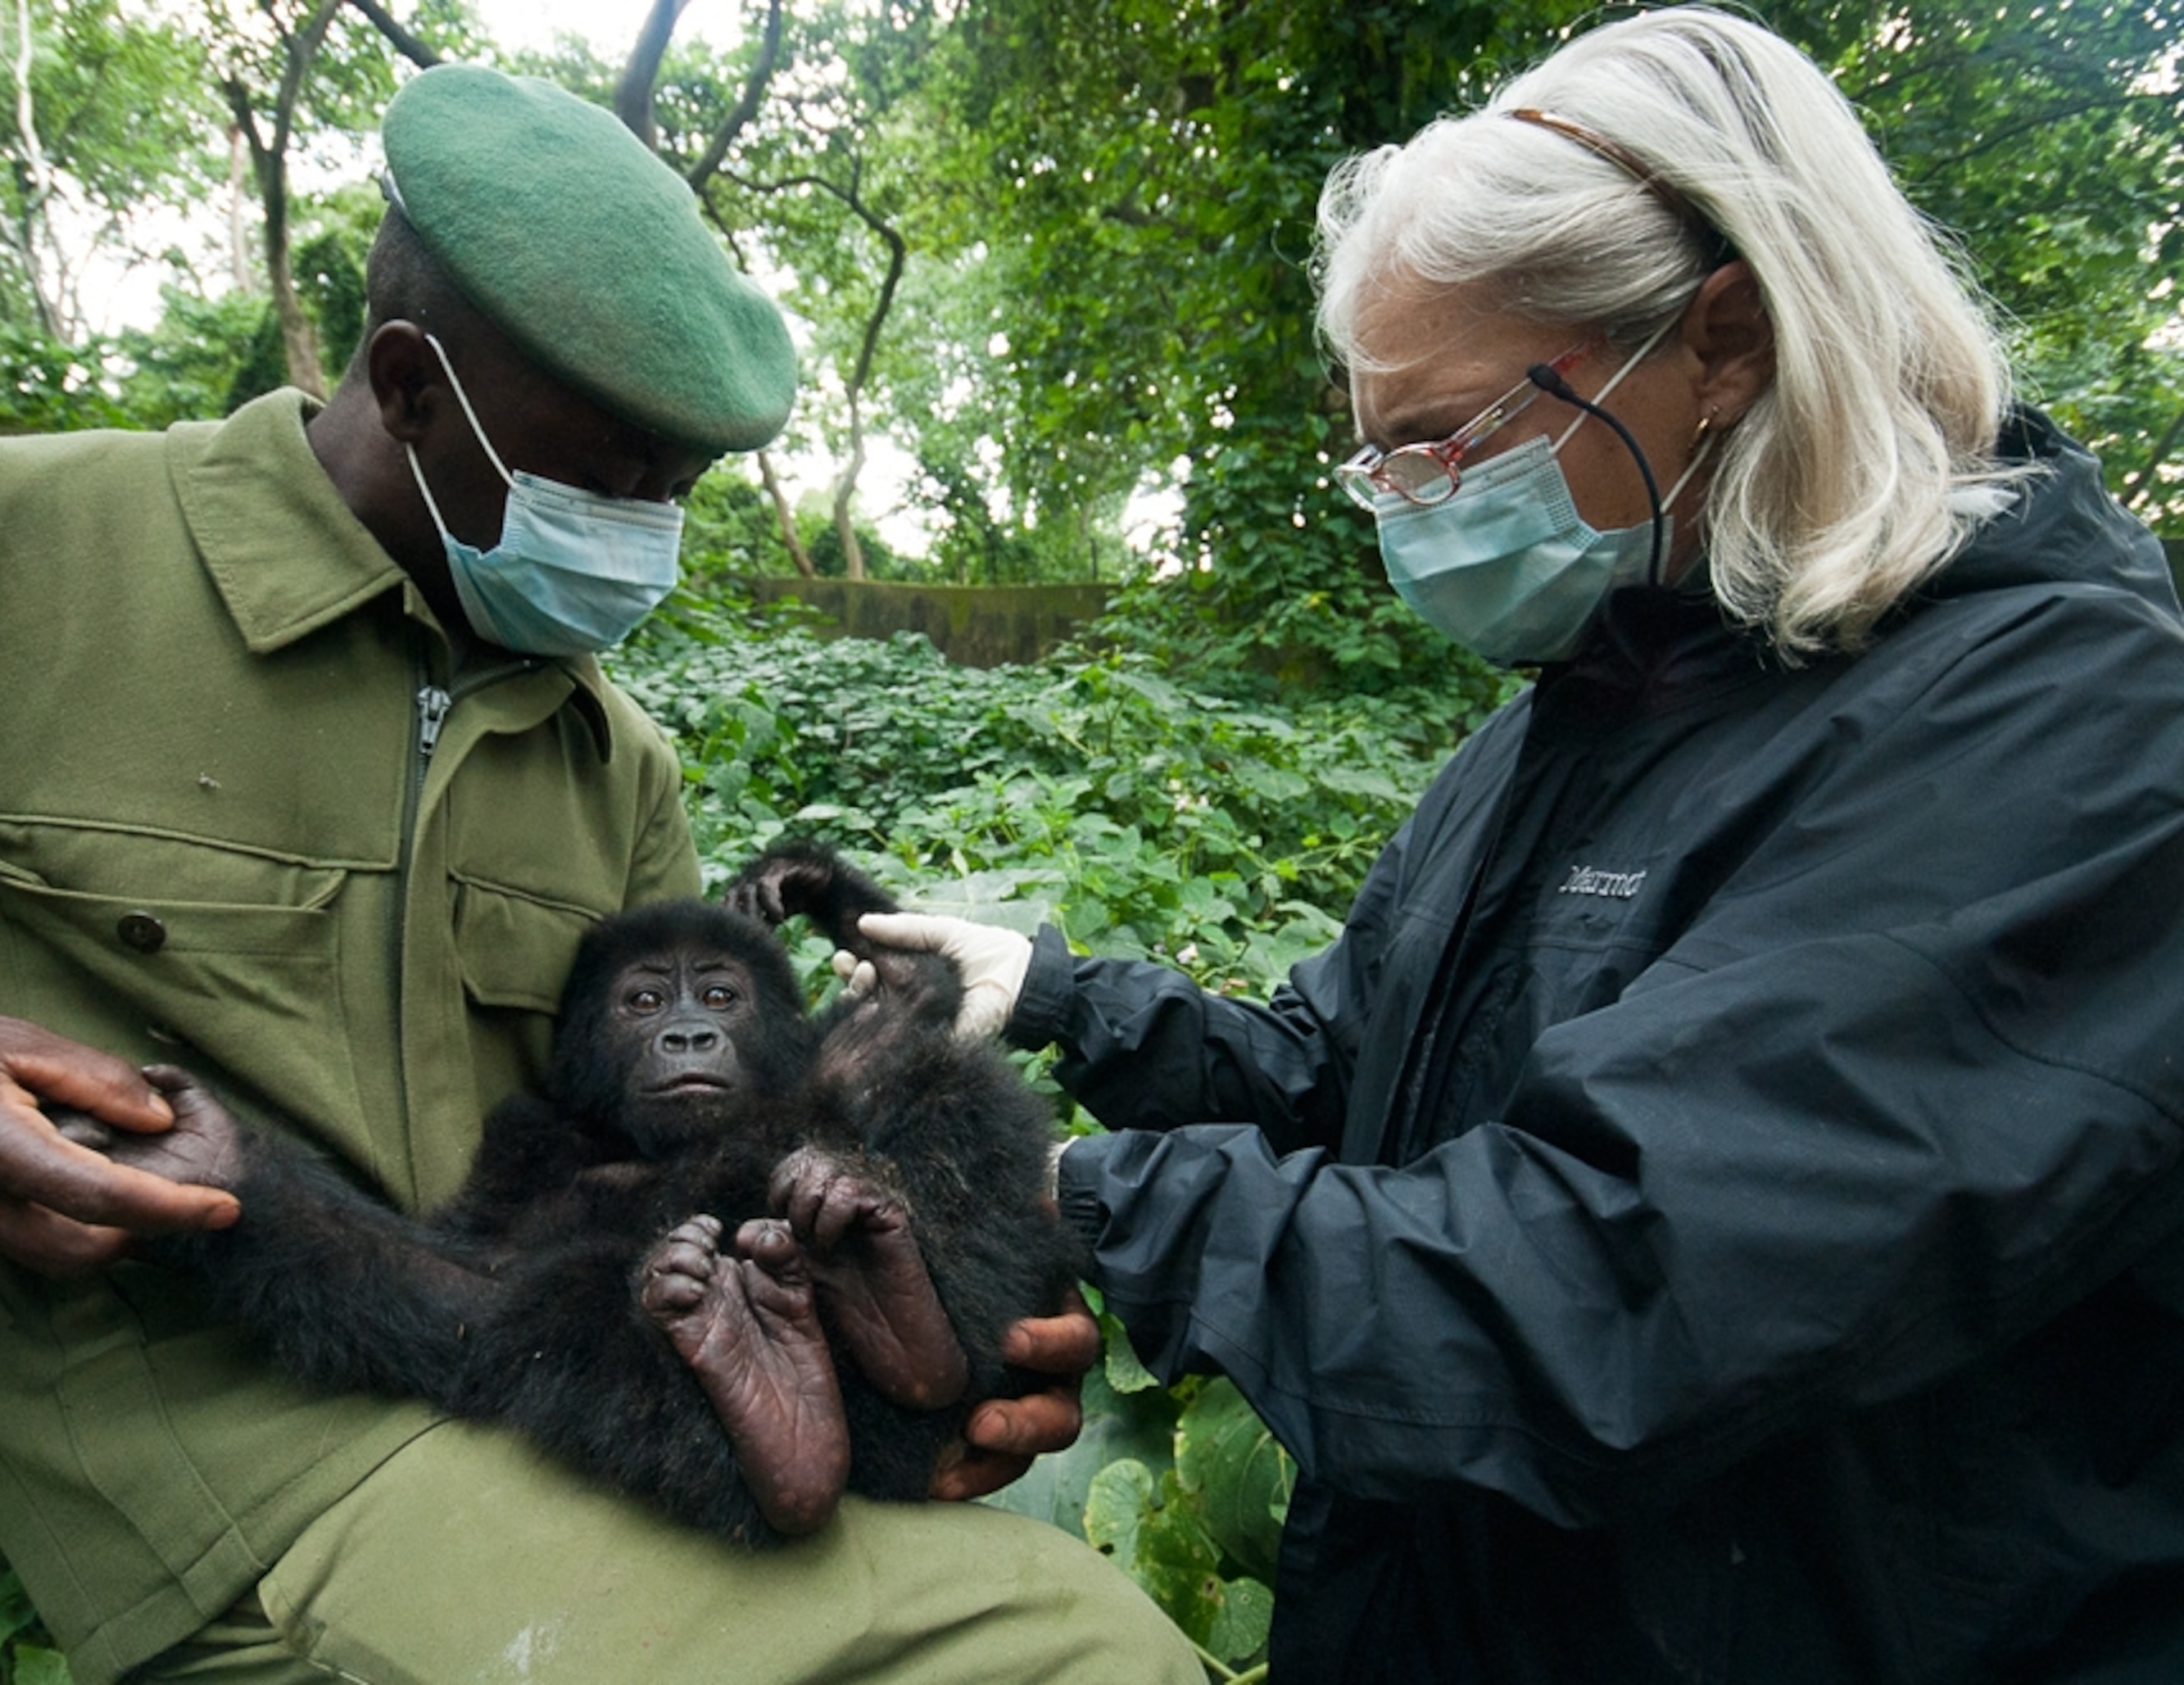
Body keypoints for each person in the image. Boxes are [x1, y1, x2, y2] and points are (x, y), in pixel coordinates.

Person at [0, 65, 1198, 1685]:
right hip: (234, 1472)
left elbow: (712, 1143)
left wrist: (949, 1303)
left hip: (592, 1378)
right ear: (406, 382)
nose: (645, 537)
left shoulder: (618, 762)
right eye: (606, 481)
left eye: (677, 494)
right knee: (1063, 1658)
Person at [858, 10, 2184, 1680]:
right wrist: (1061, 997)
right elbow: (1346, 1072)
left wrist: (1071, 1201)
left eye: (1453, 435)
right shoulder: (1580, 710)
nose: (1409, 497)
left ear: (1729, 339)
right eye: (1380, 451)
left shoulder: (2063, 729)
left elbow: (1616, 1282)